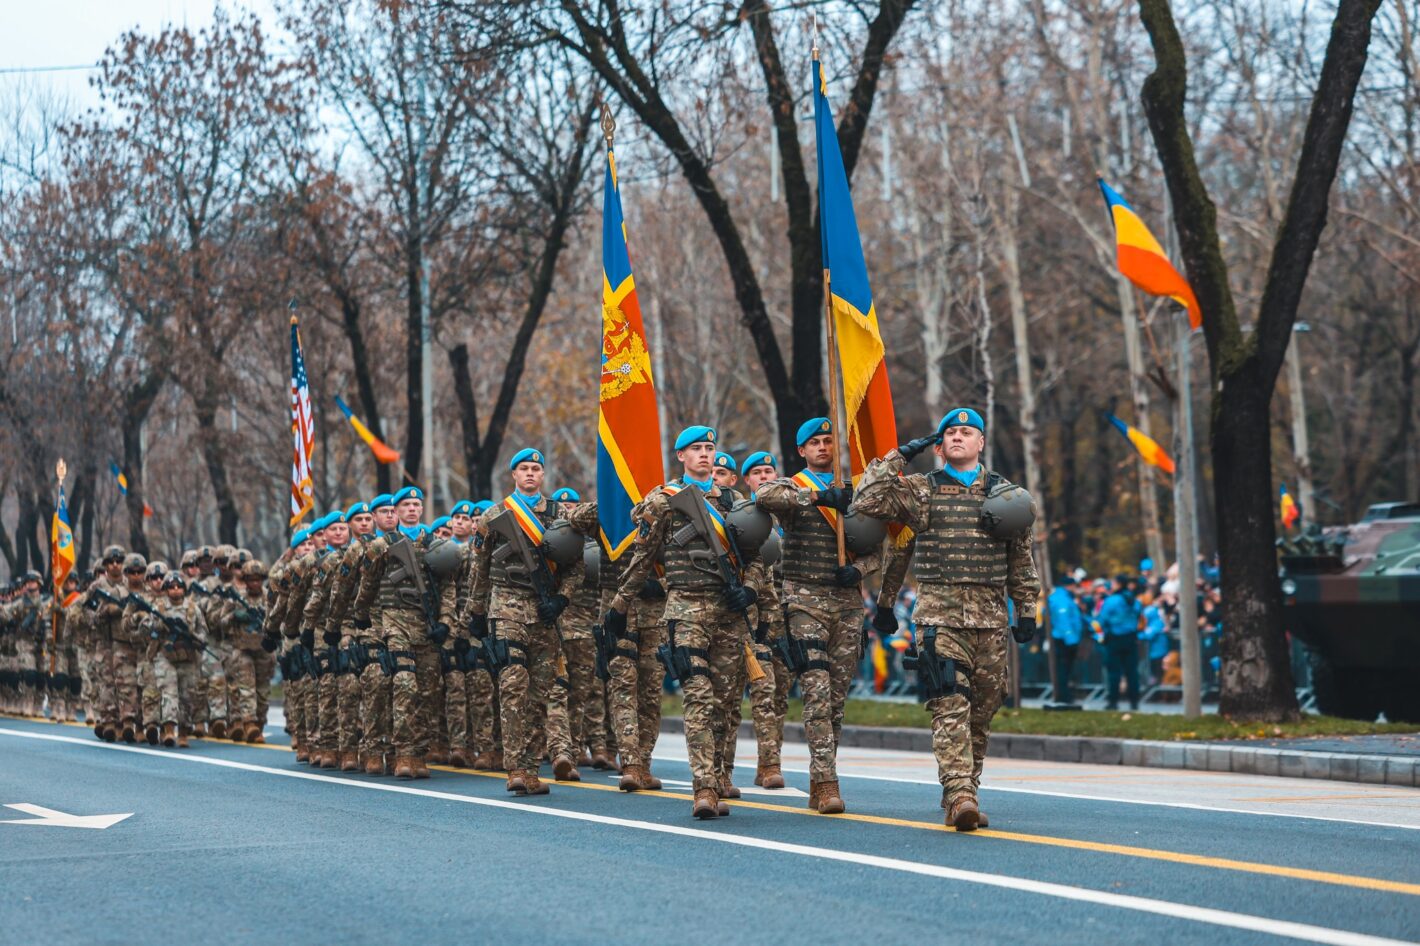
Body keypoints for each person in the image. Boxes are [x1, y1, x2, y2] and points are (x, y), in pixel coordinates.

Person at [853, 407, 1039, 831]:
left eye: (966, 432)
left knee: (983, 708)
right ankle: (960, 795)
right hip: (938, 616)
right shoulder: (921, 490)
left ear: (981, 442)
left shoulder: (1007, 496)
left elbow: (1021, 559)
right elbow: (866, 499)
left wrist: (1026, 608)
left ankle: (965, 783)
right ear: (940, 446)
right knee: (949, 703)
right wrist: (898, 456)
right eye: (950, 433)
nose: (957, 437)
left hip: (991, 618)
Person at [604, 425, 765, 819]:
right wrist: (620, 604)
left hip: (729, 613)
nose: (705, 455)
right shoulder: (665, 500)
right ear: (681, 456)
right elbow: (643, 555)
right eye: (696, 449)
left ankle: (721, 775)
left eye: (710, 448)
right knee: (698, 696)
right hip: (685, 608)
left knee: (726, 703)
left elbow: (757, 555)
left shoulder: (734, 502)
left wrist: (751, 589)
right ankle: (704, 789)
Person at [756, 417, 882, 813]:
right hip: (804, 601)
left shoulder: (856, 492)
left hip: (846, 604)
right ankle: (827, 783)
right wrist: (820, 498)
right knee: (816, 692)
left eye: (829, 441)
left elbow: (880, 549)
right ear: (802, 451)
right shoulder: (794, 486)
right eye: (815, 443)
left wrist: (859, 571)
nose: (824, 447)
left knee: (837, 701)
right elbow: (765, 497)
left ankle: (819, 776)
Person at [463, 450, 599, 795]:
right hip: (506, 608)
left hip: (545, 613)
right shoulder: (495, 516)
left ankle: (532, 763)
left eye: (536, 469)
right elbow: (478, 569)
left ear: (543, 475)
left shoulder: (559, 516)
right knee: (513, 686)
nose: (530, 474)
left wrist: (563, 598)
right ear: (513, 475)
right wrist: (475, 612)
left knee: (540, 693)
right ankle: (517, 769)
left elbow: (575, 566)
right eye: (524, 468)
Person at [352, 487, 445, 779]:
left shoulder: (435, 544)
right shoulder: (382, 544)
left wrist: (447, 621)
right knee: (404, 684)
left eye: (417, 504)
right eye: (406, 505)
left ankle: (419, 751)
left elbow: (450, 586)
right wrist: (362, 616)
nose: (412, 509)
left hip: (427, 625)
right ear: (397, 509)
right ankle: (401, 753)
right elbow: (368, 583)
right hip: (395, 622)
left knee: (429, 691)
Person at [737, 449, 789, 790]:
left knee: (780, 695)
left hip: (787, 617)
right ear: (748, 481)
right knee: (763, 691)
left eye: (770, 471)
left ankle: (767, 760)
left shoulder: (791, 517)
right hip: (751, 619)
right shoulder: (741, 517)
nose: (765, 477)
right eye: (758, 473)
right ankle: (770, 765)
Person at [1097, 574, 1144, 710]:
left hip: (1114, 638)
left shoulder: (1112, 600)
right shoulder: (1134, 600)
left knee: (1114, 672)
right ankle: (1134, 702)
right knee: (1132, 672)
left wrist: (1101, 634)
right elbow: (1138, 614)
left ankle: (1113, 701)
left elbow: (1102, 619)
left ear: (1118, 584)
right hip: (1131, 638)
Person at [1047, 576, 1085, 703]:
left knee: (1064, 668)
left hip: (1063, 638)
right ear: (1069, 586)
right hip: (1064, 640)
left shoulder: (1061, 597)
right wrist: (1072, 640)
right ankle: (1064, 696)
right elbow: (1064, 622)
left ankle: (1063, 694)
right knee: (1064, 669)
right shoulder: (1062, 599)